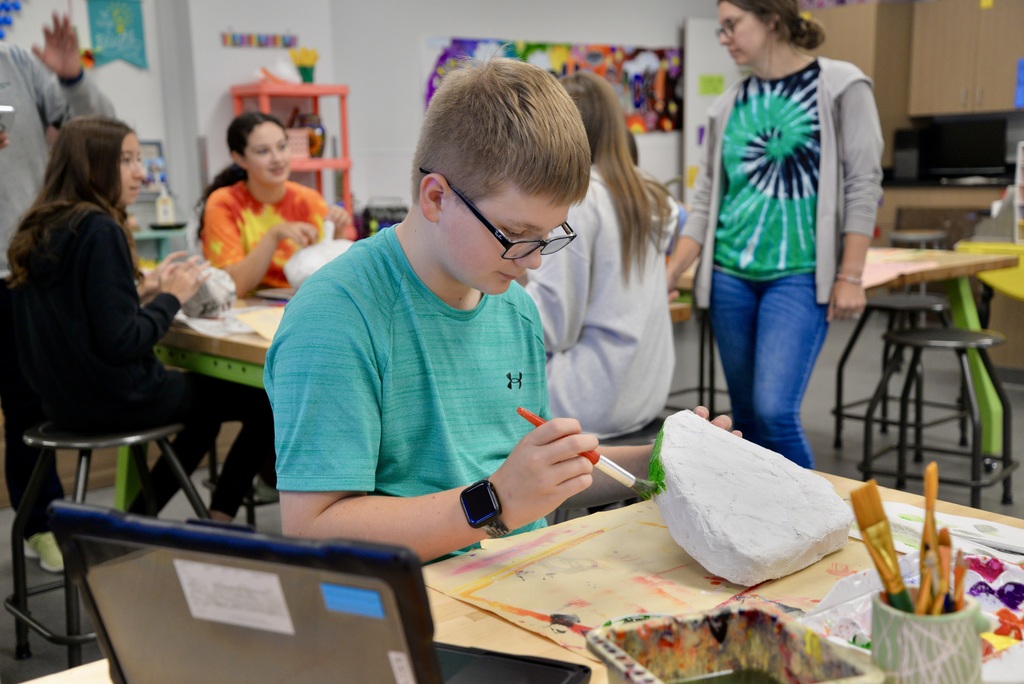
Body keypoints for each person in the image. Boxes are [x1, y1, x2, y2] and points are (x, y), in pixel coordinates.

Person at [265, 57, 732, 563]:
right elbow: (312, 530)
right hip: (424, 613)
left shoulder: (513, 307)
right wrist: (494, 503)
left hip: (521, 581)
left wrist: (656, 461)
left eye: (548, 237)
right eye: (514, 236)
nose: (532, 262)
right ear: (436, 197)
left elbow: (544, 480)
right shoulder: (338, 316)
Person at [7, 116, 277, 524]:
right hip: (116, 397)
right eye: (127, 160)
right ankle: (218, 519)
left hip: (62, 402)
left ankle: (140, 520)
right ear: (92, 165)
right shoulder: (99, 229)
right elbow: (122, 341)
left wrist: (142, 292)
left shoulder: (42, 225)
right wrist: (172, 296)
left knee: (202, 415)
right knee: (267, 398)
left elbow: (79, 316)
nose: (140, 172)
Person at [666, 0, 882, 469]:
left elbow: (864, 183)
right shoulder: (728, 105)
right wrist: (671, 270)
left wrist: (851, 274)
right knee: (745, 415)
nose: (722, 37)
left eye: (731, 25)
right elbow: (704, 202)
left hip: (800, 275)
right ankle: (764, 530)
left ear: (771, 20)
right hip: (729, 275)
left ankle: (817, 523)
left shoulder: (842, 85)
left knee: (774, 411)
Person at [0, 13, 115, 573]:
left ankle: (38, 521)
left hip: (17, 268)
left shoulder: (18, 63)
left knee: (27, 406)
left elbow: (102, 131)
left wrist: (71, 80)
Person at [523, 71, 679, 438]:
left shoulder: (580, 199)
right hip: (644, 392)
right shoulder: (650, 191)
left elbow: (552, 324)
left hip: (589, 398)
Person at [198, 111, 357, 296]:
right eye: (263, 151)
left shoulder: (309, 200)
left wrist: (337, 233)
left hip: (306, 308)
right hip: (249, 316)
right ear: (239, 158)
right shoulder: (223, 204)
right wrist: (274, 235)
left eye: (282, 147)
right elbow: (234, 287)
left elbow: (335, 275)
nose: (277, 159)